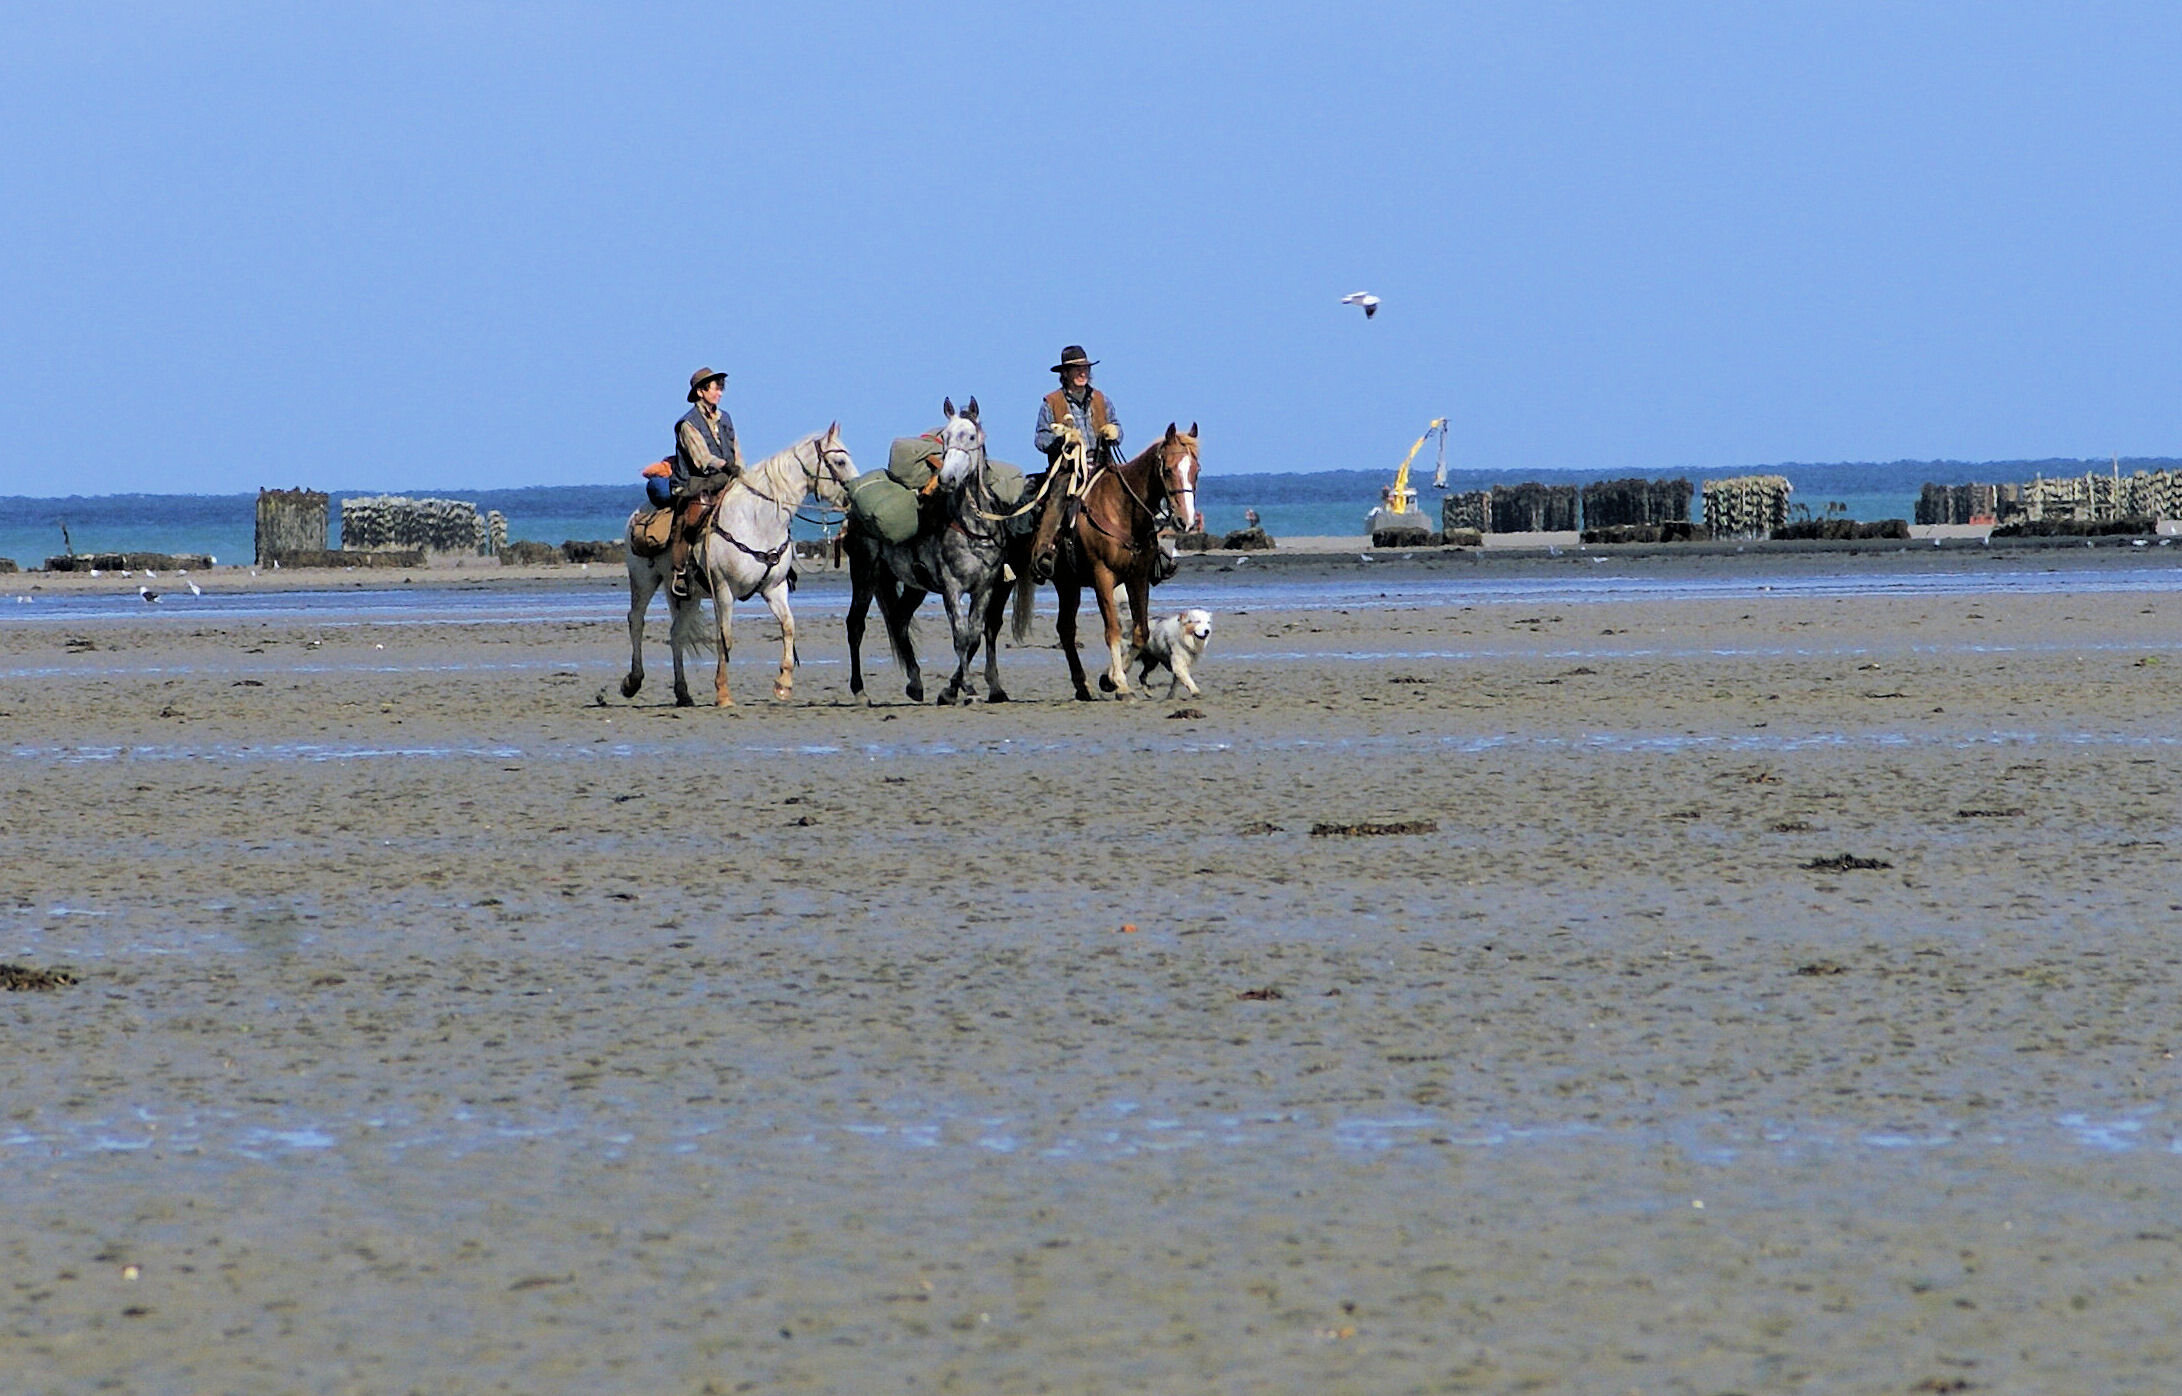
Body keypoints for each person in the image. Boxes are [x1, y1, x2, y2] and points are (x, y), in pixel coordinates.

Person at [1030, 346, 1121, 578]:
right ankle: (1045, 552)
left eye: (1085, 368)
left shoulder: (1102, 399)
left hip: (1102, 465)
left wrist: (1114, 432)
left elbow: (1117, 427)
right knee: (1056, 501)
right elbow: (1041, 440)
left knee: (1134, 491)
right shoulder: (1051, 402)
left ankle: (1154, 553)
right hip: (1068, 469)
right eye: (1076, 369)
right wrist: (1062, 440)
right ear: (1066, 373)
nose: (1082, 373)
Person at [669, 366, 743, 597]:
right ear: (701, 392)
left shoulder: (726, 418)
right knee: (695, 511)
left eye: (721, 388)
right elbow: (702, 459)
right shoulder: (688, 423)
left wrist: (742, 472)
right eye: (715, 388)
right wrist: (726, 466)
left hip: (724, 477)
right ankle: (680, 571)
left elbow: (736, 449)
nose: (719, 393)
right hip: (692, 481)